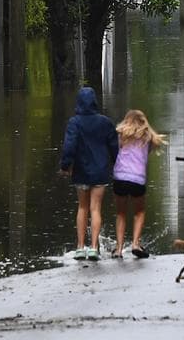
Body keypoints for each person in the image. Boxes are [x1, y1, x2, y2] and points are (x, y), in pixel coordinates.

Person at [59, 86, 118, 261]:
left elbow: (69, 146)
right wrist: (118, 164)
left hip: (81, 171)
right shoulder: (105, 122)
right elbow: (114, 146)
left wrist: (65, 165)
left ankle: (79, 247)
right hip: (100, 171)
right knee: (95, 208)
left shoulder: (74, 122)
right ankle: (93, 247)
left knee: (82, 207)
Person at [112, 109, 167, 259]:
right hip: (137, 179)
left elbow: (114, 151)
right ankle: (136, 243)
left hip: (120, 178)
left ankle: (118, 248)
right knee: (139, 212)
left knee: (121, 213)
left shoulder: (120, 135)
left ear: (126, 121)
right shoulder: (147, 137)